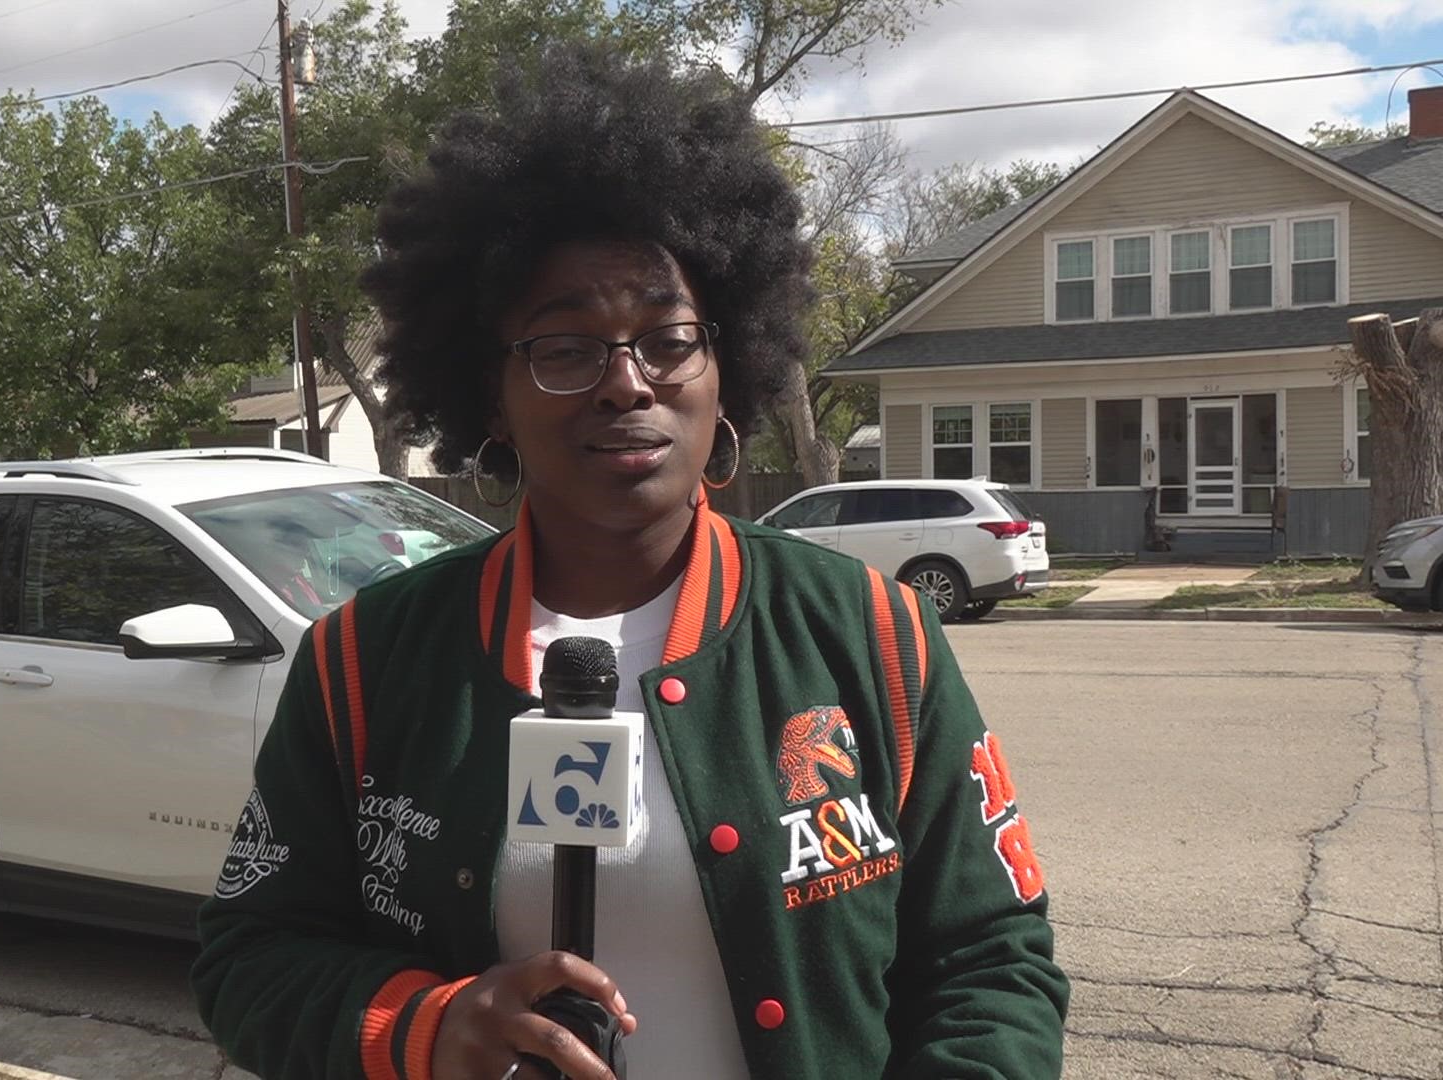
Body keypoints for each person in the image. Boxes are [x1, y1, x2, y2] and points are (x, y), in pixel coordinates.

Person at [192, 46, 1068, 1080]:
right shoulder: (364, 661)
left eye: (667, 338)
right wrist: (430, 1027)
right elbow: (252, 958)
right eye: (566, 351)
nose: (626, 384)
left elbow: (992, 959)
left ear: (726, 362)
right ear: (490, 397)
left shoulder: (874, 635)